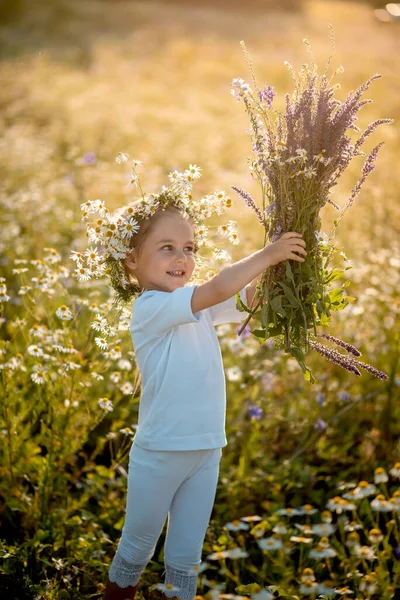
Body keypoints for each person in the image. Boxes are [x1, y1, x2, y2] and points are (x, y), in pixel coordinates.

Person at [98, 174, 307, 600]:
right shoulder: (151, 307)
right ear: (131, 261)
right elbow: (217, 287)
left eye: (189, 248)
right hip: (161, 453)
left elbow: (248, 298)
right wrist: (267, 254)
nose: (182, 257)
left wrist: (289, 272)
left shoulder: (200, 306)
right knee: (137, 550)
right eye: (167, 247)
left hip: (207, 448)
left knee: (185, 559)